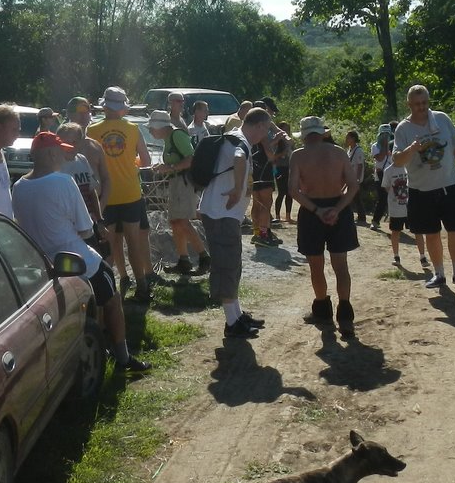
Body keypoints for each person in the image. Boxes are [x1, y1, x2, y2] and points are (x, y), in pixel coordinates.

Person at [11, 131, 150, 376]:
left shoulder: (18, 187)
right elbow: (86, 229)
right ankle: (122, 356)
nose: (65, 156)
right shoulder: (64, 182)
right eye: (61, 152)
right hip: (75, 260)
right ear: (51, 154)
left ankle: (95, 349)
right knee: (112, 298)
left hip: (41, 264)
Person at [201, 108, 274, 337]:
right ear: (259, 126)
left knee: (232, 264)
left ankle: (237, 315)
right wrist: (237, 189)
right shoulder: (240, 142)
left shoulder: (235, 137)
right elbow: (239, 158)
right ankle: (232, 324)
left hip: (222, 213)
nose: (265, 134)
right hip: (221, 214)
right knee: (227, 265)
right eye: (266, 129)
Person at [392, 84, 455, 289]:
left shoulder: (441, 118)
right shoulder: (403, 129)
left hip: (449, 185)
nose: (422, 107)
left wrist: (448, 167)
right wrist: (411, 149)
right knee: (431, 233)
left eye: (425, 102)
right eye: (417, 104)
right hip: (421, 190)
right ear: (409, 104)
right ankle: (439, 274)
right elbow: (397, 160)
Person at [290, 115, 361, 332]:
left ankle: (322, 311)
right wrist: (337, 209)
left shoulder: (298, 156)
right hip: (338, 208)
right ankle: (345, 313)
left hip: (312, 211)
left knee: (316, 265)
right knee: (341, 265)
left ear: (304, 136)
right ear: (322, 133)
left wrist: (317, 210)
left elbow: (293, 190)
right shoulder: (339, 153)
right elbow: (353, 185)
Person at [86, 86, 155, 302]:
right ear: (122, 108)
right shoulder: (133, 129)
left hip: (105, 196)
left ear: (104, 107)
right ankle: (142, 286)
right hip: (130, 192)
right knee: (133, 241)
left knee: (111, 242)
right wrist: (131, 162)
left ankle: (119, 281)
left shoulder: (91, 130)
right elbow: (146, 161)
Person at [148, 109, 209, 275]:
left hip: (184, 183)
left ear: (160, 127)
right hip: (176, 182)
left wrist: (170, 168)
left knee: (182, 221)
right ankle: (183, 260)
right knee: (175, 221)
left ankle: (204, 258)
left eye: (151, 128)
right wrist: (165, 168)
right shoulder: (169, 138)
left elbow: (191, 159)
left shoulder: (177, 136)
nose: (150, 131)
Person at [380, 159, 413, 269]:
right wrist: (397, 196)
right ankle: (396, 256)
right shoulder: (388, 170)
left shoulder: (408, 166)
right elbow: (386, 186)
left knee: (417, 231)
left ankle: (423, 257)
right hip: (396, 207)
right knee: (395, 231)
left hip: (410, 206)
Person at [370, 124, 394, 232]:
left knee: (394, 198)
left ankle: (395, 222)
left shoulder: (393, 145)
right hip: (380, 175)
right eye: (383, 134)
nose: (385, 137)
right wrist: (385, 146)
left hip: (392, 174)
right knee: (382, 199)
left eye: (387, 135)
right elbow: (379, 158)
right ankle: (375, 221)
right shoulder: (375, 146)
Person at [345, 131, 370, 225]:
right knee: (355, 198)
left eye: (348, 138)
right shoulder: (350, 150)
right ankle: (360, 217)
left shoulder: (358, 151)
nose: (346, 140)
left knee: (355, 198)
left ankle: (361, 217)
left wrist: (358, 179)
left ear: (353, 138)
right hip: (350, 178)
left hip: (355, 179)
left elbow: (360, 165)